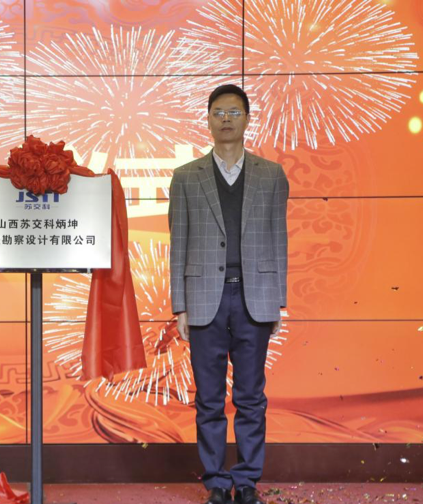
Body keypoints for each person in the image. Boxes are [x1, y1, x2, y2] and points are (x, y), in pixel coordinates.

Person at [168, 84, 289, 504]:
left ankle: (247, 481)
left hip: (255, 297)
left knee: (251, 396)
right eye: (218, 112)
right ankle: (217, 483)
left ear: (247, 119)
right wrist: (180, 305)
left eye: (234, 112)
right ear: (207, 119)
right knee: (209, 398)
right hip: (205, 299)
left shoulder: (271, 174)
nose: (225, 119)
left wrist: (277, 300)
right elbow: (178, 243)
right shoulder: (186, 177)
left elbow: (278, 238)